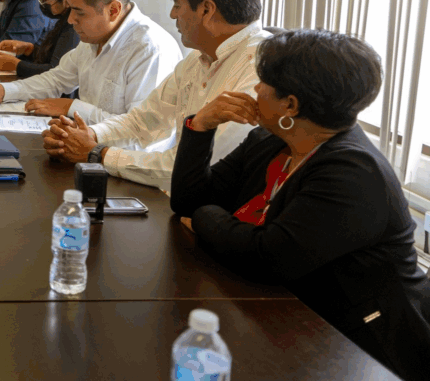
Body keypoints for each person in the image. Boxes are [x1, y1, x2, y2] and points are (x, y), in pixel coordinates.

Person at [170, 30, 430, 381]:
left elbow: (267, 258)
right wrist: (201, 125)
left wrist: (205, 218)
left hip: (361, 349)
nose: (255, 89)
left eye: (263, 83)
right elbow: (187, 201)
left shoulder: (353, 173)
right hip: (284, 318)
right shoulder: (269, 140)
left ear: (290, 106)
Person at [43, 0, 270, 189]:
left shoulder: (262, 69)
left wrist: (97, 153)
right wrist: (85, 136)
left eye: (178, 4)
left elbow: (197, 168)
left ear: (206, 10)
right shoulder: (197, 59)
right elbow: (142, 121)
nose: (172, 14)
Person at [0, 0, 181, 132]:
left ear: (113, 10)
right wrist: (3, 91)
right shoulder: (94, 38)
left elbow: (140, 130)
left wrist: (71, 107)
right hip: (91, 149)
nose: (71, 19)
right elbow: (56, 79)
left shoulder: (150, 49)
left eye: (79, 12)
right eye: (70, 9)